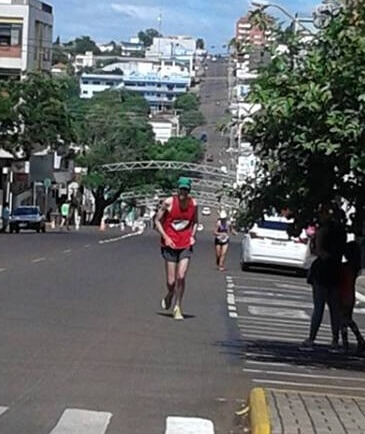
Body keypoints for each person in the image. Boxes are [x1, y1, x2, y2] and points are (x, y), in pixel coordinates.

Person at [302, 206, 347, 351]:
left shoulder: (324, 230)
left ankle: (312, 338)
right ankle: (335, 339)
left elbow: (318, 250)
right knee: (334, 307)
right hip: (334, 269)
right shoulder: (341, 232)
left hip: (323, 270)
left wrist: (324, 254)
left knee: (320, 306)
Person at [154, 177, 198, 321]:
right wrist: (165, 236)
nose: (183, 192)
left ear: (189, 191)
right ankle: (170, 294)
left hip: (185, 243)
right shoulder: (168, 203)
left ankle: (178, 306)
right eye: (181, 189)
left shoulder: (194, 204)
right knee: (171, 281)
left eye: (185, 189)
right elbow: (157, 221)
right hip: (170, 243)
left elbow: (195, 222)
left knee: (181, 276)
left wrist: (192, 235)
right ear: (178, 189)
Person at [339, 241, 365, 352]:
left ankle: (347, 342)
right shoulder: (355, 268)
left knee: (343, 320)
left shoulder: (346, 268)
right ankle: (358, 339)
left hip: (343, 295)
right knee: (347, 319)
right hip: (350, 295)